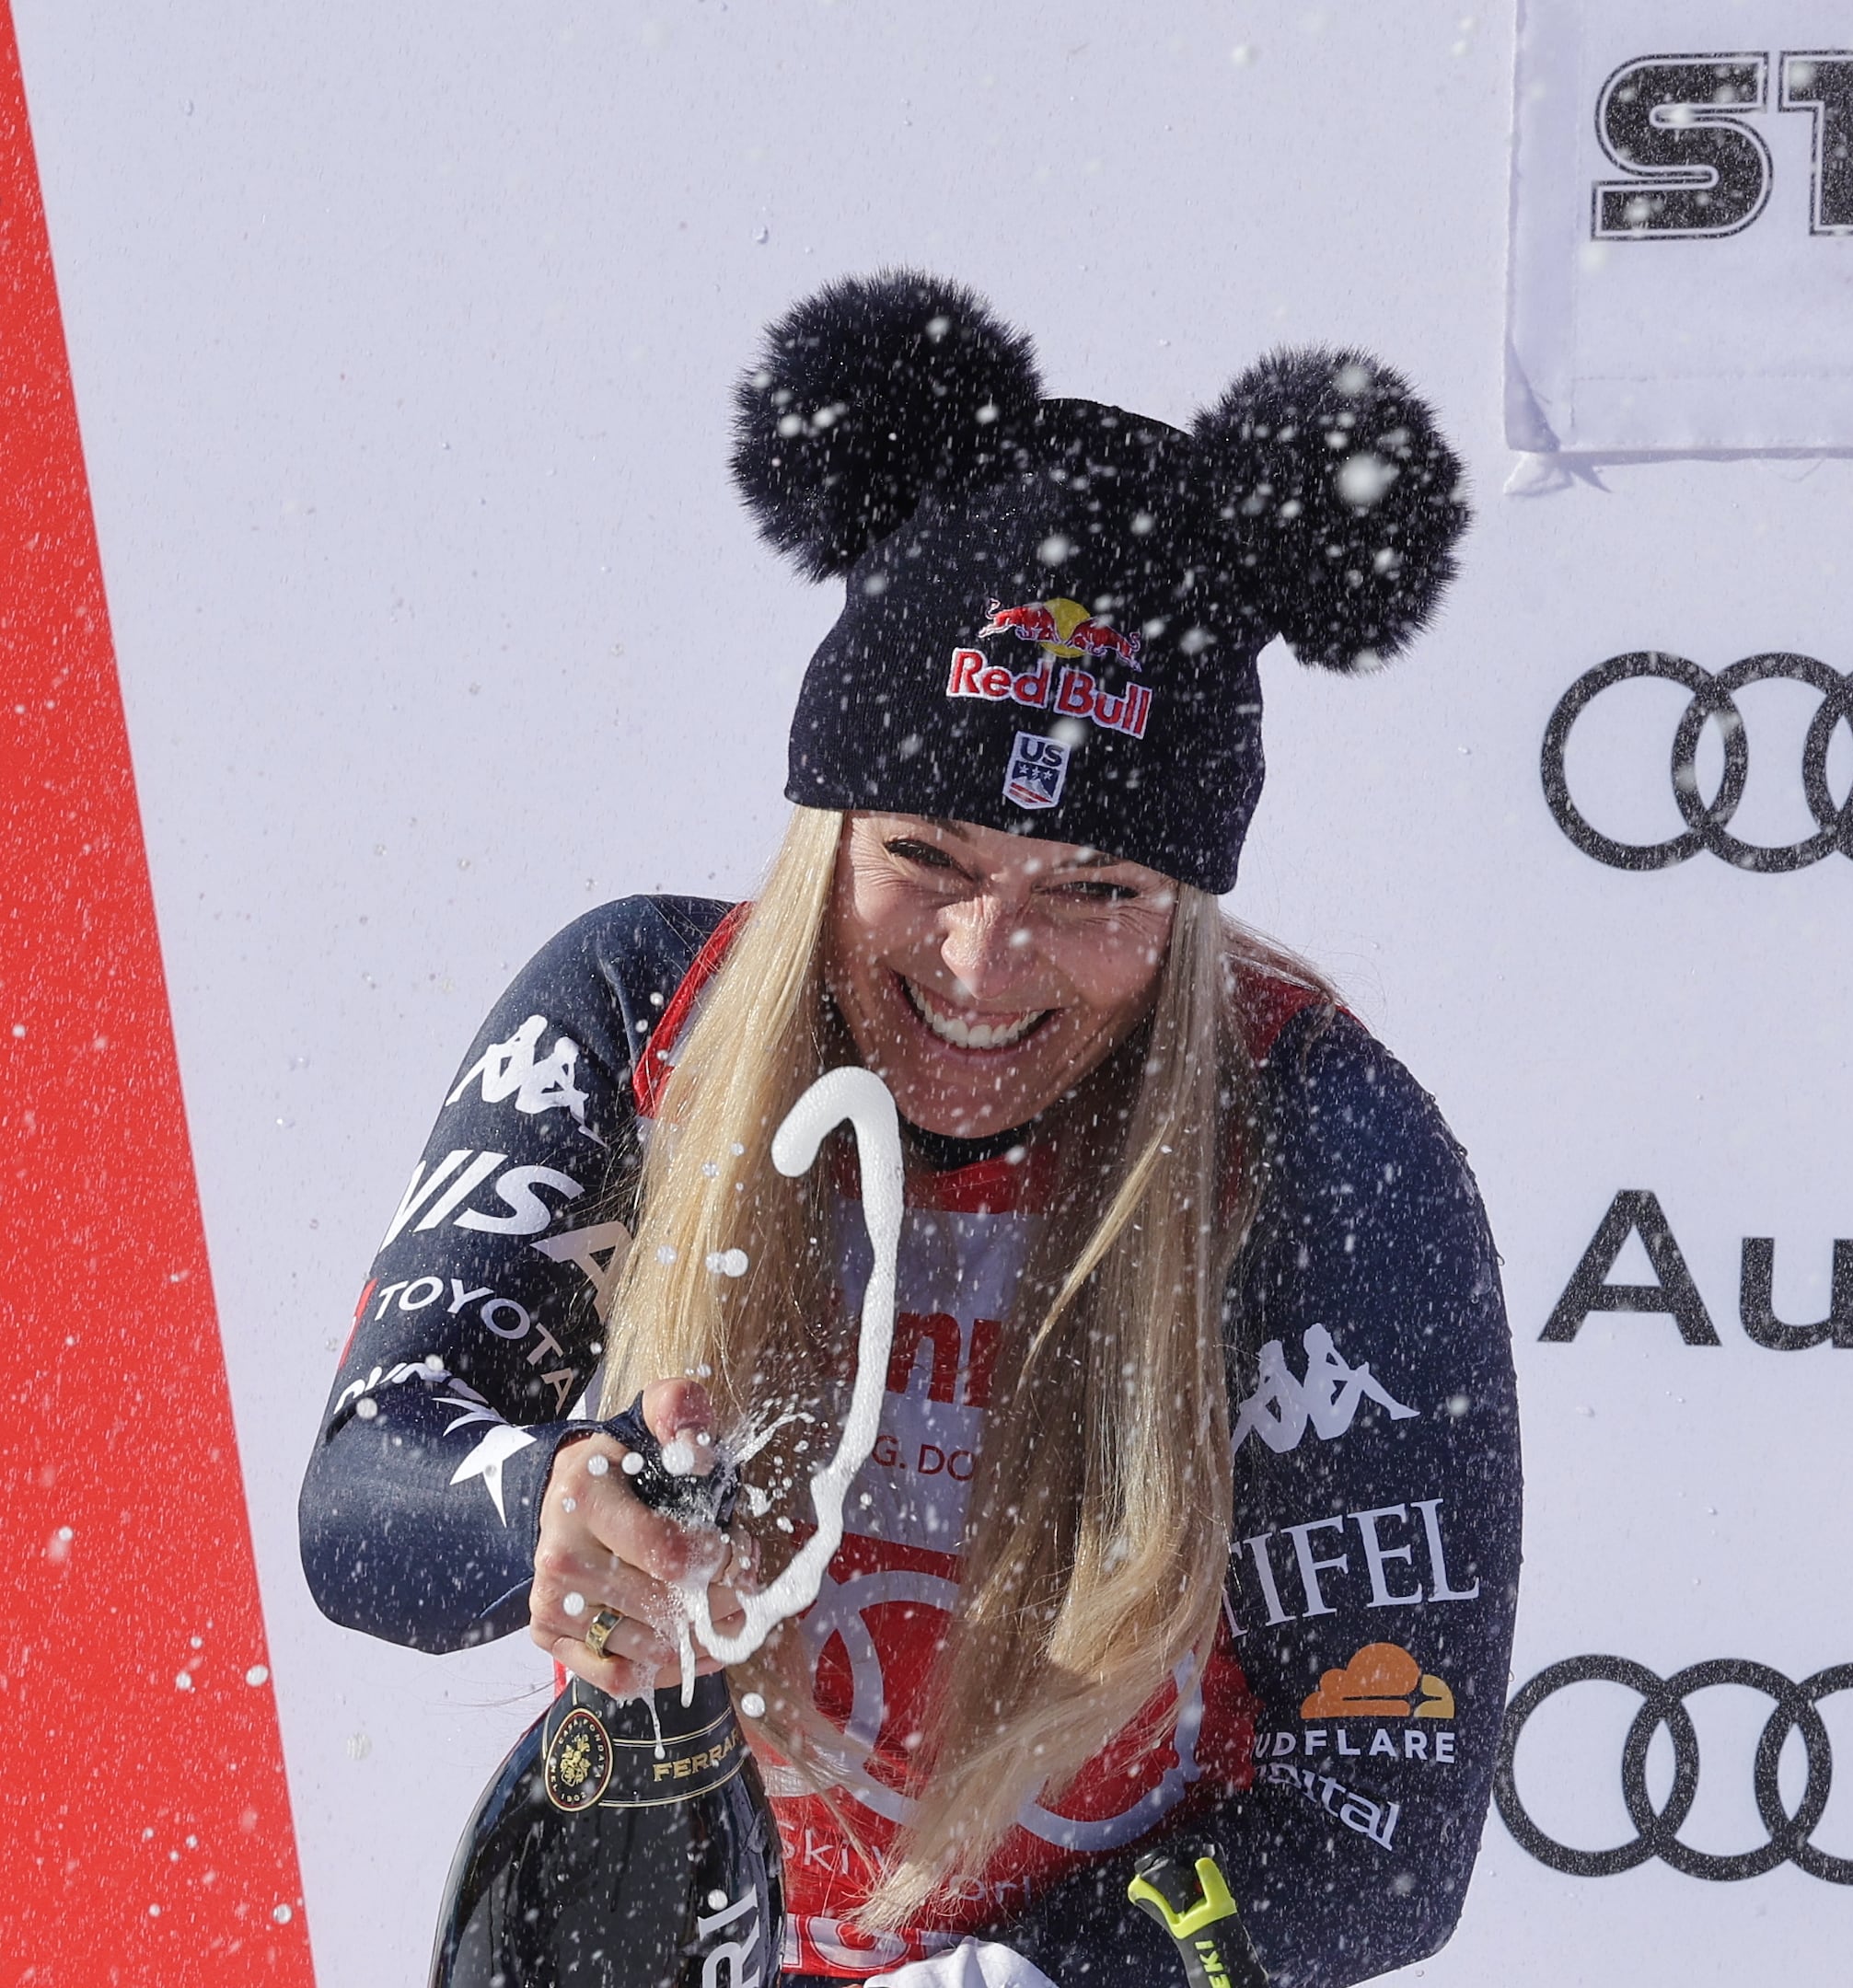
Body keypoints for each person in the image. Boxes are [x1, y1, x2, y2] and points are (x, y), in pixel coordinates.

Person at [296, 272, 1510, 1986]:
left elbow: (1383, 1831)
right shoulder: (644, 1009)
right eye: (925, 857)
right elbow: (364, 1499)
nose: (982, 964)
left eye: (1092, 890)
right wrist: (542, 1511)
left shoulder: (1321, 1142)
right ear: (828, 826)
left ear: (1184, 910)